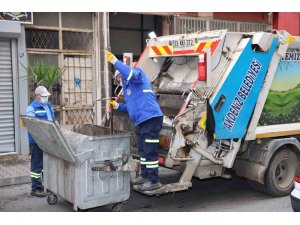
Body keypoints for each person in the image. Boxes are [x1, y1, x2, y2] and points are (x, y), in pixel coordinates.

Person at [107, 51, 163, 191]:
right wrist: (118, 106)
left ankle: (154, 181)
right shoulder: (128, 89)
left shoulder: (137, 74)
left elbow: (130, 74)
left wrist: (115, 61)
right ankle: (145, 176)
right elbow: (131, 107)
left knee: (149, 151)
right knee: (143, 150)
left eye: (120, 76)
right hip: (143, 120)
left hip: (151, 118)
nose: (120, 80)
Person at [22, 86, 54, 197]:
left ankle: (46, 186)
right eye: (44, 96)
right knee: (37, 166)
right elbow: (31, 126)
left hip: (48, 141)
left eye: (47, 96)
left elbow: (52, 121)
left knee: (47, 165)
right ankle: (35, 188)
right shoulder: (31, 108)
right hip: (36, 142)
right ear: (37, 96)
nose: (46, 98)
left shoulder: (48, 106)